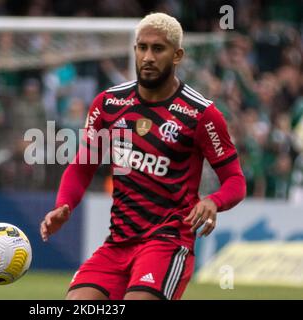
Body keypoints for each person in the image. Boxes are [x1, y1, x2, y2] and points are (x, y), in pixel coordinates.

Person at [40, 12, 246, 300]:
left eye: (158, 49)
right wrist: (64, 206)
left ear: (177, 55)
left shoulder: (202, 114)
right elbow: (82, 166)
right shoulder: (109, 104)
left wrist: (213, 201)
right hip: (117, 244)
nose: (148, 57)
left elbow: (235, 180)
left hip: (167, 242)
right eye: (142, 47)